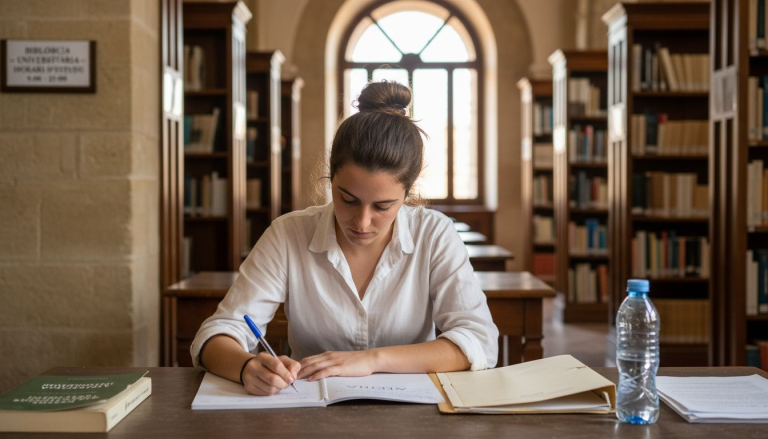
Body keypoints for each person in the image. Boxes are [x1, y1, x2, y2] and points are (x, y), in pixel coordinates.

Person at [191, 80, 498, 396]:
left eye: (383, 206)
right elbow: (218, 332)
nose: (362, 222)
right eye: (348, 199)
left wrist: (371, 360)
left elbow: (478, 341)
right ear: (331, 178)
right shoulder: (288, 234)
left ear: (407, 193)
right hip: (310, 412)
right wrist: (245, 367)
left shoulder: (434, 234)